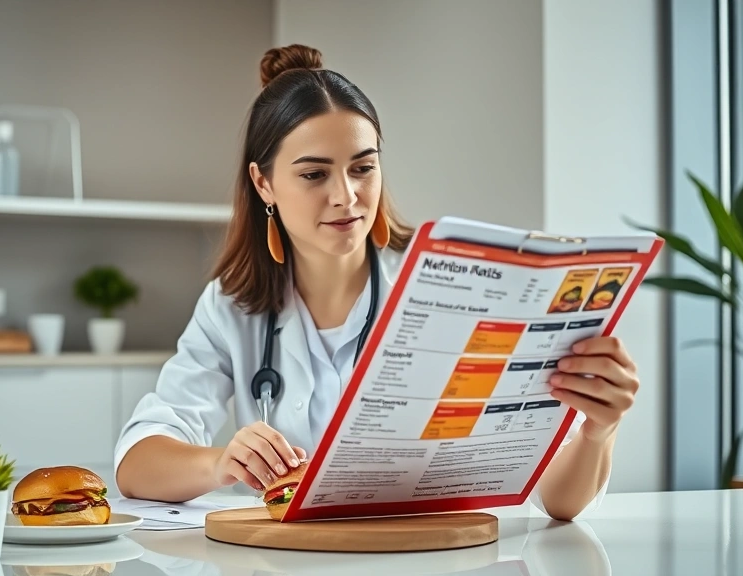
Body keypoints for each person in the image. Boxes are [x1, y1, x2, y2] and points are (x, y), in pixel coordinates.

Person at [114, 44, 641, 522]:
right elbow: (138, 464)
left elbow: (560, 501)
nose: (345, 196)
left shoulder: (451, 283)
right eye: (314, 174)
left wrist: (600, 428)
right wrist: (221, 462)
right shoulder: (233, 305)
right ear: (263, 182)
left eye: (362, 168)